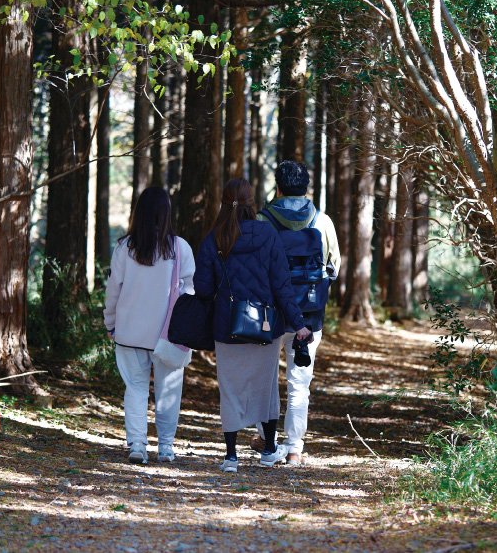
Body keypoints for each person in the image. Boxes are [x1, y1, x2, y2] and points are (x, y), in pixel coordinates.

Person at [194, 178, 312, 472]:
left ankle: (231, 456)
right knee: (265, 388)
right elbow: (282, 285)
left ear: (224, 202)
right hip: (264, 326)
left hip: (226, 326)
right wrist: (299, 324)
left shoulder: (214, 238)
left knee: (230, 389)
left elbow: (203, 288)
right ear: (253, 203)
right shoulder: (267, 234)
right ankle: (269, 450)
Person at [252, 161, 340, 466]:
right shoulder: (322, 221)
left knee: (265, 379)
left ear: (278, 186)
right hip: (309, 315)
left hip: (268, 314)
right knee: (299, 382)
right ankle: (294, 447)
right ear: (307, 187)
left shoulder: (263, 220)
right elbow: (334, 268)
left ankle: (267, 440)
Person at [104, 186, 195, 464]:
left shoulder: (125, 247)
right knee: (169, 390)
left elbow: (113, 292)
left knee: (135, 388)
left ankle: (138, 446)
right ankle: (165, 447)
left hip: (130, 332)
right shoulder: (179, 248)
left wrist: (110, 323)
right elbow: (190, 293)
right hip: (169, 334)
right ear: (167, 213)